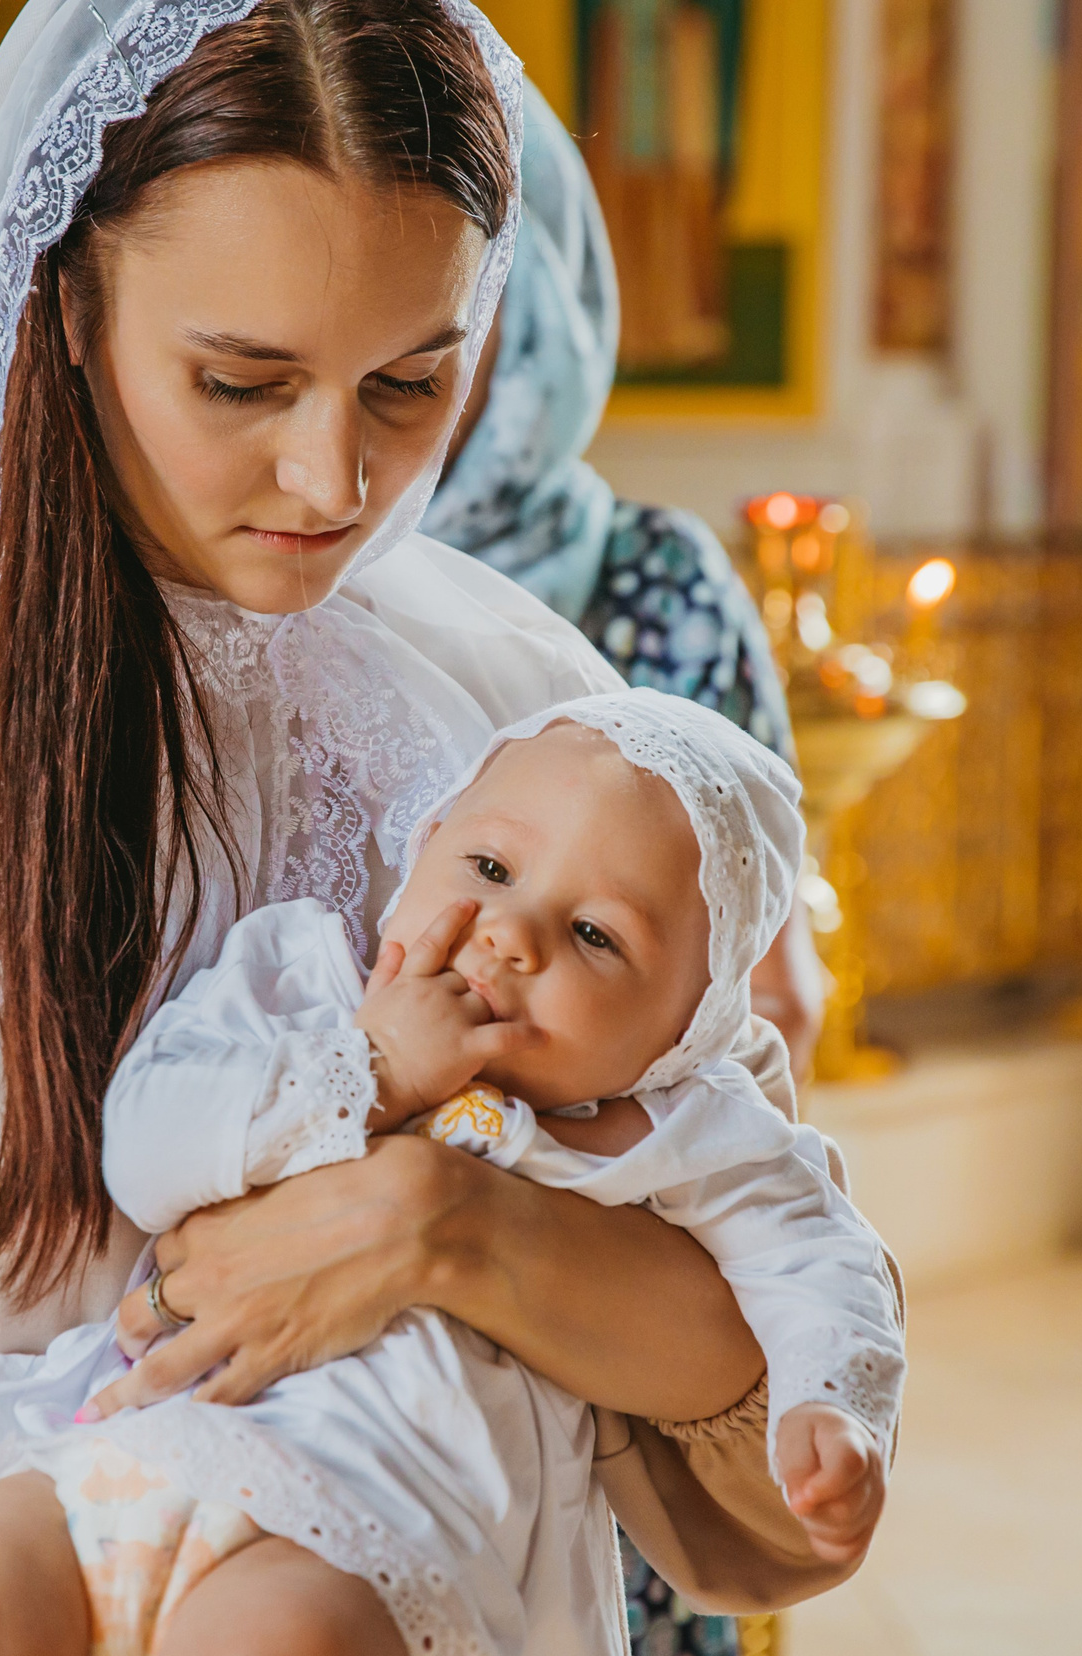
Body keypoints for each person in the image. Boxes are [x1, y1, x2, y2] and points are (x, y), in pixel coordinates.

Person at [0, 2, 887, 1656]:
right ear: (74, 306)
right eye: (241, 381)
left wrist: (442, 1224)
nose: (335, 475)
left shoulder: (535, 716)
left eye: (414, 380)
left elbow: (753, 1318)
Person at [0, 692, 902, 1656]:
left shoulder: (679, 1130)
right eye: (488, 868)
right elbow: (147, 1153)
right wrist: (368, 1066)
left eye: (596, 936)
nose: (510, 933)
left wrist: (828, 1404)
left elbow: (821, 1263)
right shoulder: (300, 983)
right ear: (424, 841)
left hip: (371, 1535)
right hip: (131, 1450)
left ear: (686, 1026)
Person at [424, 95, 822, 1077]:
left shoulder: (655, 582)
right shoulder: (269, 563)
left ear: (535, 321)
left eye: (446, 309)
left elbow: (769, 998)